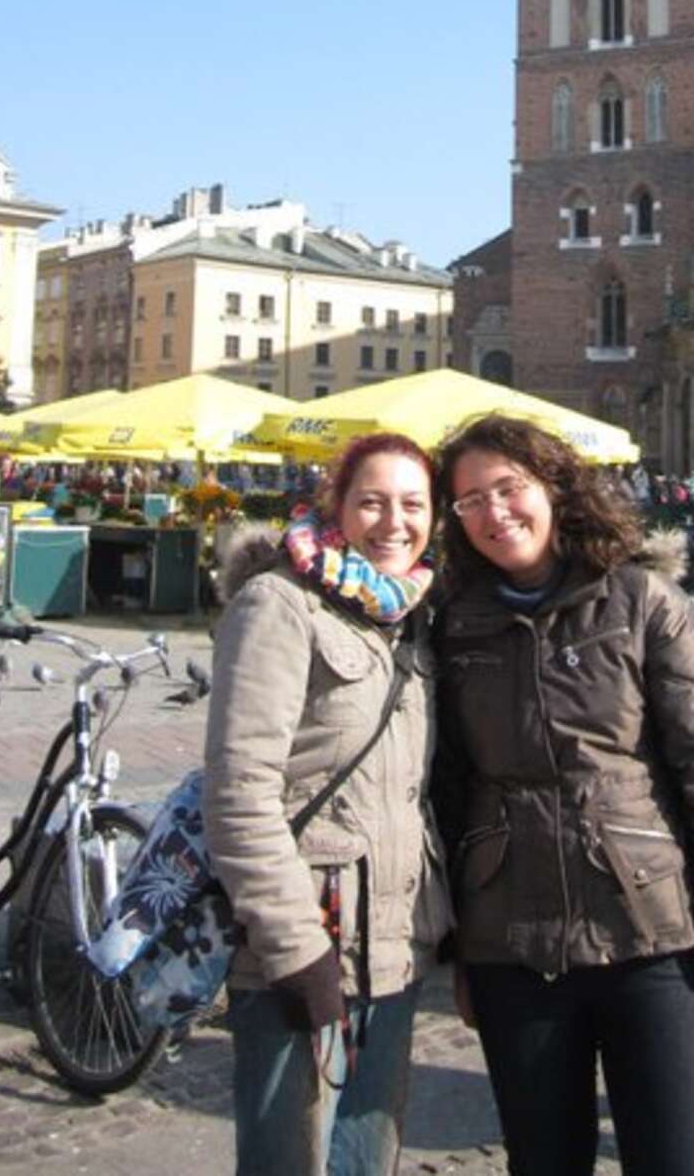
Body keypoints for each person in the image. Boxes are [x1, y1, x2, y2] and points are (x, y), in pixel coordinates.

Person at [432, 414, 694, 1176]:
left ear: (554, 486)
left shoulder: (641, 600)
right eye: (470, 500)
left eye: (509, 488)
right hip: (513, 942)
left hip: (651, 934)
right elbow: (448, 789)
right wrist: (460, 943)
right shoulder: (455, 622)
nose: (494, 512)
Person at [202, 432, 451, 1176]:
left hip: (395, 952)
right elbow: (240, 792)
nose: (393, 521)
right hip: (305, 948)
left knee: (366, 1161)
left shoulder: (413, 615)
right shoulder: (279, 604)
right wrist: (294, 947)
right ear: (336, 508)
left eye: (413, 504)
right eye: (371, 501)